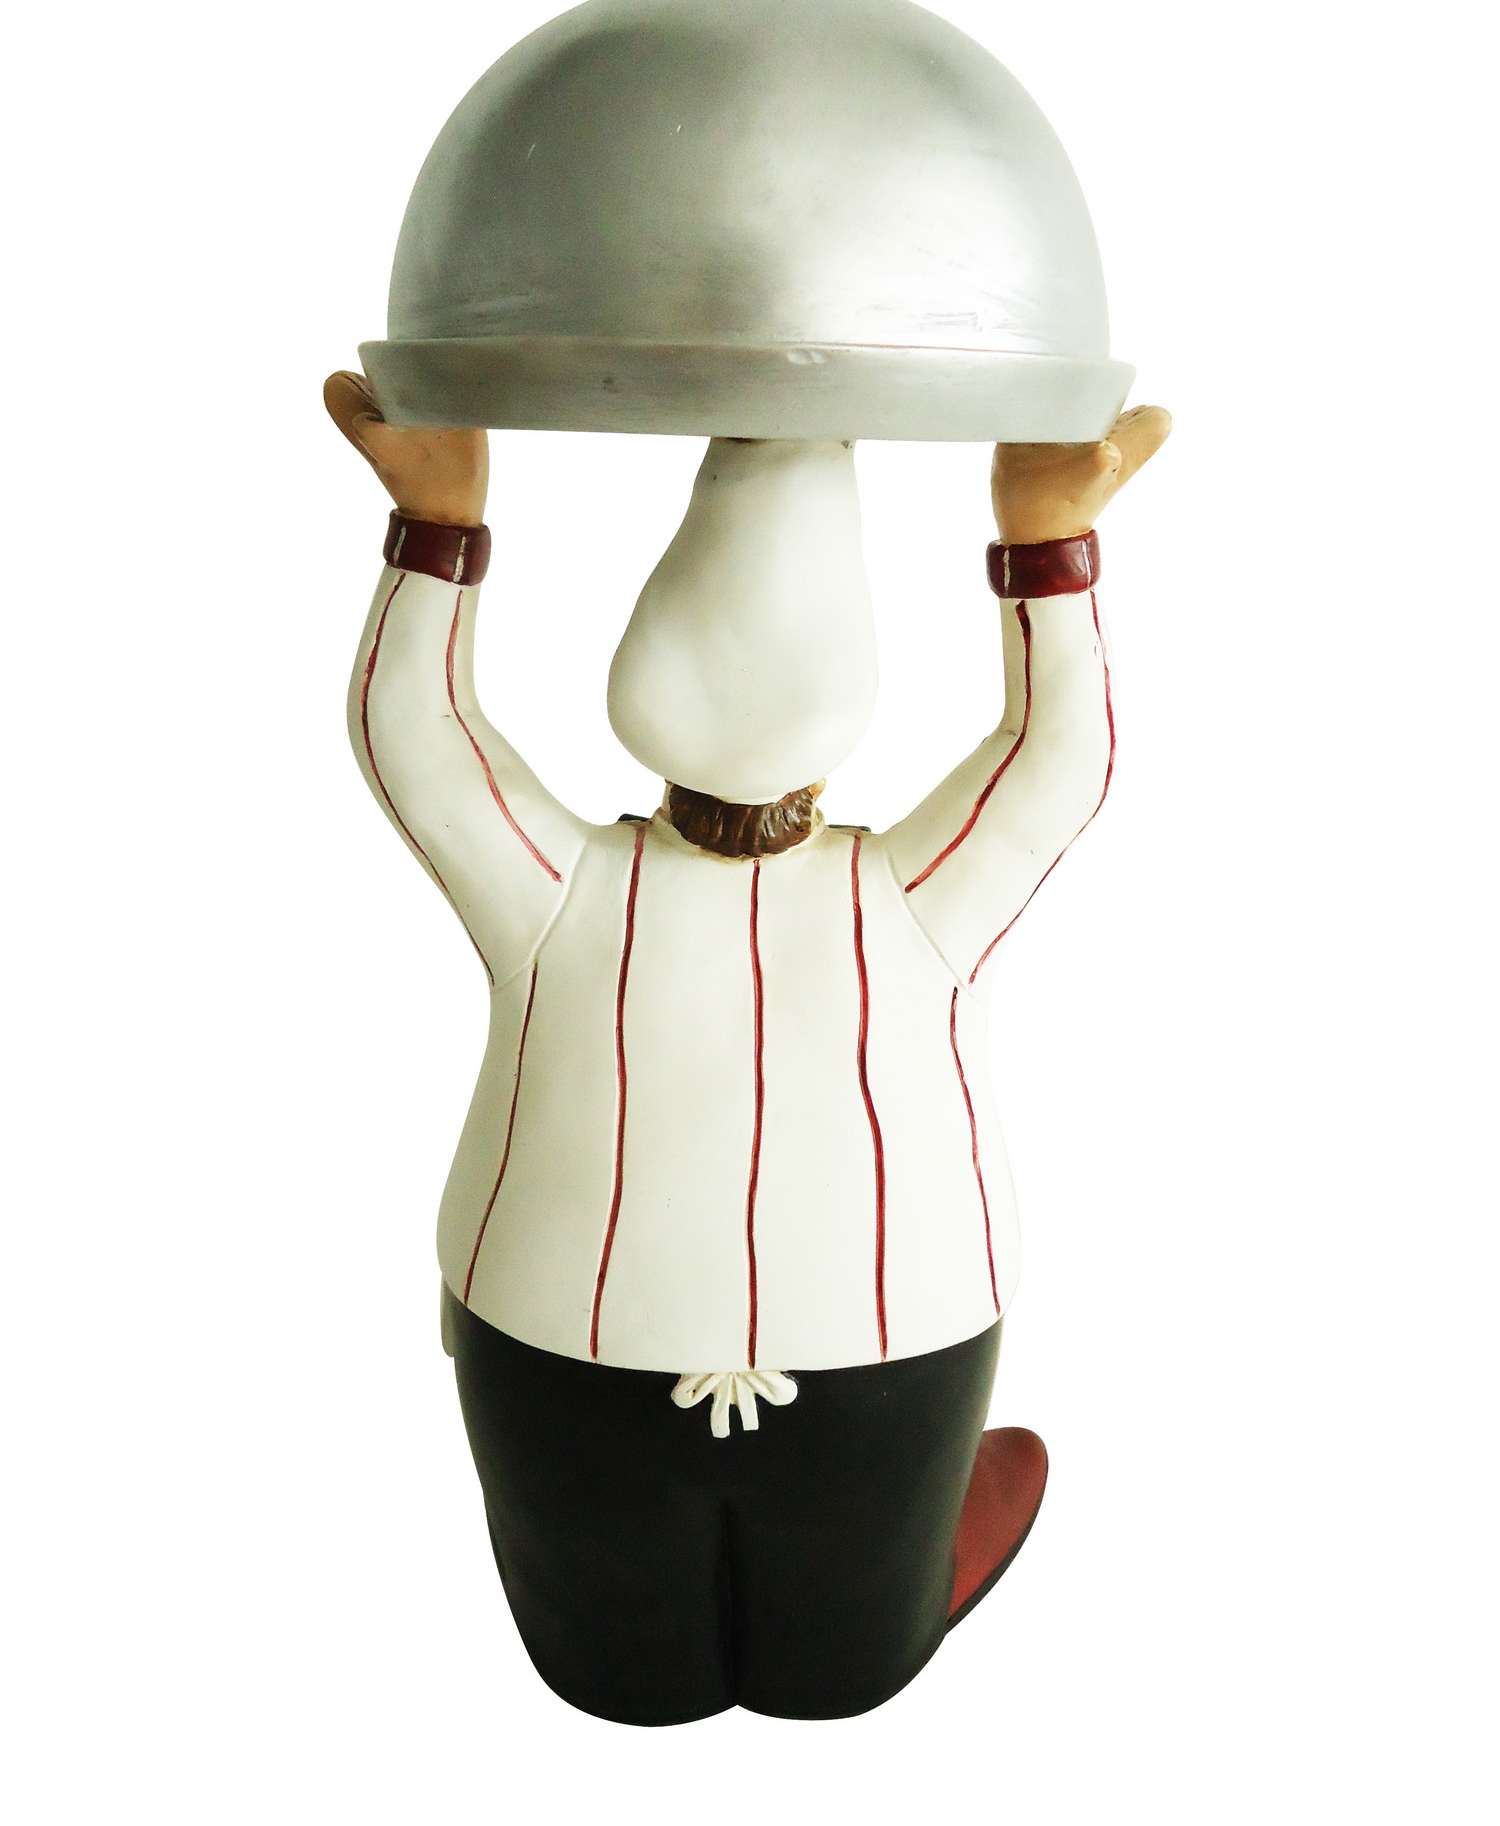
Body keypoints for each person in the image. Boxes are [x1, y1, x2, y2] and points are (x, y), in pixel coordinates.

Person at [326, 371, 1170, 1724]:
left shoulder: (557, 890)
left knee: (607, 1660)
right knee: (849, 1659)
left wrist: (441, 523)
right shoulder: (913, 900)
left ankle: (639, 1647)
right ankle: (866, 1620)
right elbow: (1059, 757)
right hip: (888, 1337)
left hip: (558, 1336)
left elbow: (415, 737)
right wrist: (1044, 542)